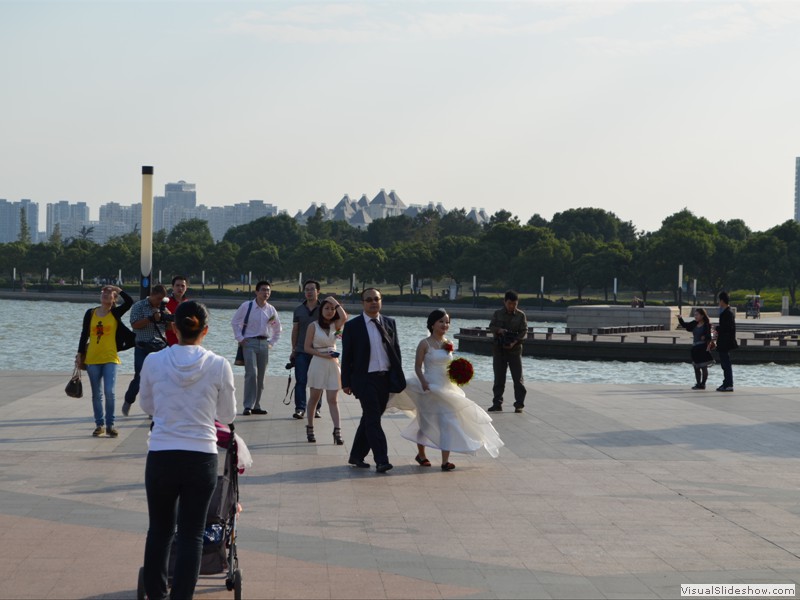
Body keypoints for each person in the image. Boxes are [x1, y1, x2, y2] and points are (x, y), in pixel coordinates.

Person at [139, 301, 236, 600]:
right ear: (205, 330)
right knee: (192, 533)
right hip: (200, 457)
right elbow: (228, 415)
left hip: (162, 454)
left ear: (174, 327)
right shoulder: (219, 364)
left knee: (160, 530)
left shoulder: (153, 361)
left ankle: (156, 595)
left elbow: (147, 405)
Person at [394, 309, 504, 471]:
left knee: (448, 422)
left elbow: (449, 366)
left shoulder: (447, 343)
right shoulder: (424, 343)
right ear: (432, 324)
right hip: (429, 387)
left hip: (447, 388)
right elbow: (417, 367)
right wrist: (423, 382)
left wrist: (459, 374)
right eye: (441, 321)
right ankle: (421, 455)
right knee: (425, 423)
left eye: (447, 322)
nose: (445, 325)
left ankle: (445, 461)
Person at [341, 288, 405, 473]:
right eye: (368, 299)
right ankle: (382, 460)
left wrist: (397, 377)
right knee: (373, 419)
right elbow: (347, 356)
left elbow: (396, 352)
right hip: (364, 379)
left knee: (370, 418)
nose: (373, 302)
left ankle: (356, 455)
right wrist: (345, 382)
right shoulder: (353, 326)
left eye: (376, 299)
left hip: (384, 380)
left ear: (381, 301)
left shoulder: (389, 323)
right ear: (363, 303)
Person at [75, 285, 134, 437]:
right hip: (92, 358)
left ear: (114, 299)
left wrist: (118, 289)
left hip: (110, 358)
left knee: (110, 392)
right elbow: (84, 334)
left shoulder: (114, 313)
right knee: (96, 394)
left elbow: (129, 302)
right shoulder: (90, 313)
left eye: (110, 293)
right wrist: (80, 353)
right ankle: (99, 425)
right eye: (104, 293)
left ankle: (110, 425)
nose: (106, 295)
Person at [231, 280, 282, 415]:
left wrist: (271, 343)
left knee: (261, 376)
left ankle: (257, 405)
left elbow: (277, 329)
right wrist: (240, 339)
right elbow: (235, 322)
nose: (266, 293)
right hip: (249, 343)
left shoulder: (271, 310)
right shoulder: (247, 306)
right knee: (251, 374)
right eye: (263, 290)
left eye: (268, 290)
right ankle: (248, 405)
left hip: (264, 343)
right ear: (256, 292)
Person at [303, 296, 348, 444]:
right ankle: (310, 427)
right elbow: (307, 348)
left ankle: (338, 431)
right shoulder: (313, 326)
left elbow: (344, 316)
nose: (329, 311)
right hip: (318, 362)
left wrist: (334, 302)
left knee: (333, 399)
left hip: (333, 363)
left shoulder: (336, 325)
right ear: (321, 310)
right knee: (314, 397)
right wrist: (321, 354)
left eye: (332, 309)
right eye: (326, 308)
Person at [122, 284, 171, 416]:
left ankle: (153, 409)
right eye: (158, 298)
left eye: (162, 299)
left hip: (159, 347)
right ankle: (128, 400)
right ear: (152, 295)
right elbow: (134, 324)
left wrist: (168, 318)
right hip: (142, 347)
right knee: (140, 377)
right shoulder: (139, 306)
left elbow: (170, 329)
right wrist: (150, 318)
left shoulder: (163, 308)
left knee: (159, 379)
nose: (160, 301)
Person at [488, 290, 528, 413]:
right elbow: (491, 326)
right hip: (499, 350)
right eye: (510, 303)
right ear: (504, 302)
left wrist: (514, 342)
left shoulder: (521, 315)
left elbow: (524, 332)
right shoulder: (498, 314)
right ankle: (497, 403)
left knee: (518, 379)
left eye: (515, 304)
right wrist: (499, 330)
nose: (512, 306)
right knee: (499, 379)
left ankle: (519, 404)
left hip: (514, 351)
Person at [290, 280, 321, 420]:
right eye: (307, 289)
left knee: (317, 382)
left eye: (312, 289)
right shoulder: (298, 309)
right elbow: (295, 330)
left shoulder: (324, 308)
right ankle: (300, 408)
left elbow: (338, 322)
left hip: (319, 352)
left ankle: (316, 409)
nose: (309, 292)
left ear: (317, 291)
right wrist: (293, 349)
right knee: (301, 380)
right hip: (302, 351)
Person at [677, 308, 715, 390]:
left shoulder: (707, 325)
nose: (695, 316)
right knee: (696, 367)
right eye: (694, 315)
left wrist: (705, 336)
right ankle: (698, 384)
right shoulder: (694, 323)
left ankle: (703, 384)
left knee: (704, 367)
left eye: (697, 314)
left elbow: (712, 336)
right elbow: (685, 325)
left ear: (702, 315)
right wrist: (680, 318)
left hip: (703, 348)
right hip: (695, 348)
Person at [714, 291, 738, 392]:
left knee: (726, 364)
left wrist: (717, 328)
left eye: (719, 300)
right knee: (725, 364)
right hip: (724, 341)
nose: (719, 302)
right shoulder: (726, 312)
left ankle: (728, 384)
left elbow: (728, 327)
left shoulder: (727, 313)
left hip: (725, 342)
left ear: (722, 301)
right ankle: (726, 383)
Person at [164, 275, 189, 347]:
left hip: (184, 344)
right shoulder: (165, 303)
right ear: (173, 287)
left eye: (183, 286)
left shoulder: (189, 305)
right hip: (167, 343)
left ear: (186, 288)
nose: (180, 288)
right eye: (177, 285)